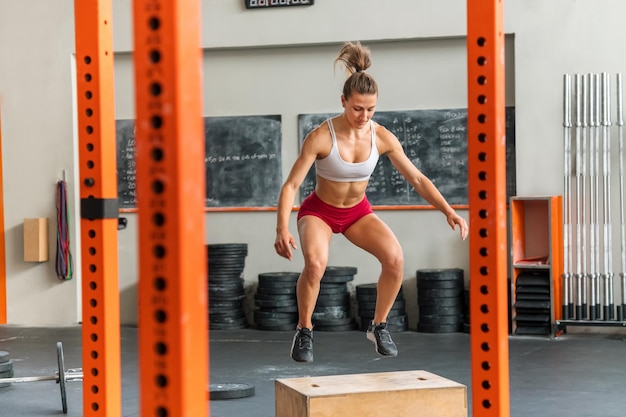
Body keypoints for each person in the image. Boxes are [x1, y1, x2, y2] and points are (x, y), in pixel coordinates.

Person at [274, 41, 469, 363]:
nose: (364, 116)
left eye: (370, 109)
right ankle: (305, 329)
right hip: (319, 212)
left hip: (357, 213)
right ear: (343, 102)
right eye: (357, 108)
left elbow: (418, 179)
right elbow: (291, 184)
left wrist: (449, 211)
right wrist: (282, 228)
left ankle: (378, 326)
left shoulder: (381, 136)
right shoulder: (321, 136)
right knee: (315, 265)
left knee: (395, 260)